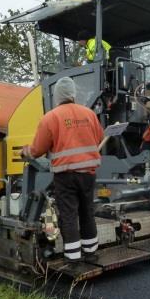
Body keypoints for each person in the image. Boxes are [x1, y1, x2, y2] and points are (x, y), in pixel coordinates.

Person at [21, 76, 104, 263]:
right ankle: (91, 253)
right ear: (73, 94)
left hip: (65, 176)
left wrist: (26, 152)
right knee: (87, 212)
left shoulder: (50, 117)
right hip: (88, 174)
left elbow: (38, 149)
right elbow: (98, 138)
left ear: (57, 96)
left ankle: (73, 257)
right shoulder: (89, 114)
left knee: (69, 215)